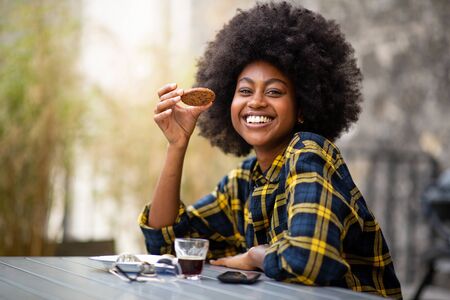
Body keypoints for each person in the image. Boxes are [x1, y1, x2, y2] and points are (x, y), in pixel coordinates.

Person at [139, 1, 402, 298]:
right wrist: (177, 146)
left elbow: (308, 261)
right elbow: (169, 245)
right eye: (245, 90)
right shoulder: (243, 182)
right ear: (229, 101)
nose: (257, 102)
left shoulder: (309, 152)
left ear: (302, 107)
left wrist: (252, 257)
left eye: (275, 91)